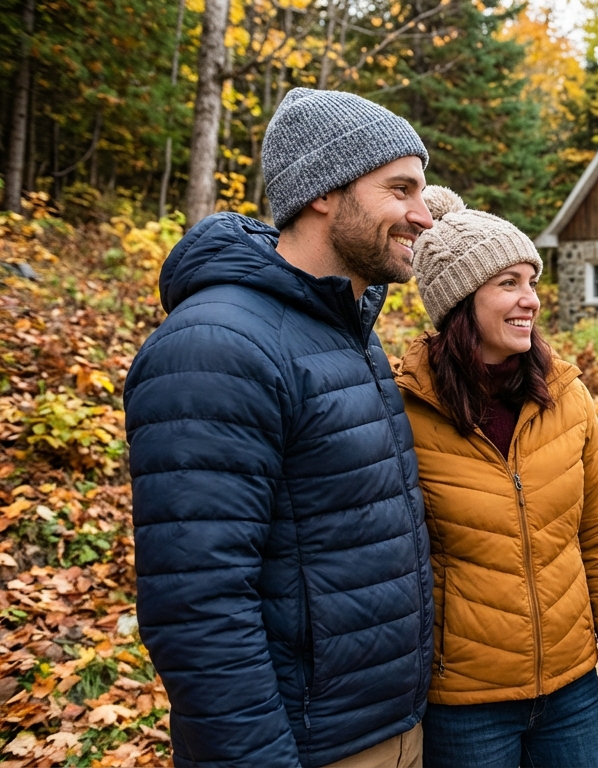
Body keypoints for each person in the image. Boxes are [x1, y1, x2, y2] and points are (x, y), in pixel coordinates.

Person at [125, 88, 436, 768]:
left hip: (393, 729)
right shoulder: (217, 346)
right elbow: (199, 607)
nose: (425, 214)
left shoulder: (346, 331)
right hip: (309, 747)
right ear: (324, 191)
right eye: (401, 189)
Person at [393, 187, 598, 767]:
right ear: (460, 301)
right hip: (464, 702)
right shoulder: (403, 408)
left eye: (531, 281)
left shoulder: (566, 395)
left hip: (573, 689)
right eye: (508, 283)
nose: (530, 299)